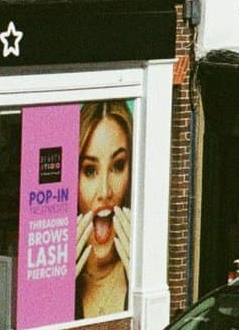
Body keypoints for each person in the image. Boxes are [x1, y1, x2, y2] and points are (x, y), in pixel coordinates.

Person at [76, 100, 134, 319]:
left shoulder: (139, 275)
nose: (105, 191)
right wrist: (56, 290)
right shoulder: (66, 281)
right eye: (90, 170)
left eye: (118, 166)